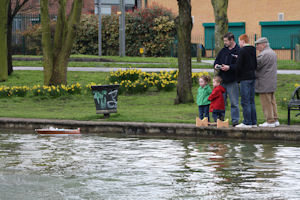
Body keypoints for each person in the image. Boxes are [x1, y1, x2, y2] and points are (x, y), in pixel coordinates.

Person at [214, 32, 240, 126]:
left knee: (234, 102)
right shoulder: (223, 51)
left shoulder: (238, 51)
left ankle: (235, 121)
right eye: (224, 41)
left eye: (226, 41)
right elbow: (216, 61)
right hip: (222, 80)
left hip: (232, 80)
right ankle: (220, 120)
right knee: (221, 102)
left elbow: (239, 66)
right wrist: (217, 65)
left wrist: (230, 67)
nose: (224, 42)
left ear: (232, 40)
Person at [255, 37, 279, 128]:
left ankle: (270, 121)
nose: (257, 46)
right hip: (271, 81)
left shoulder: (263, 55)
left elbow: (256, 66)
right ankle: (275, 119)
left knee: (266, 102)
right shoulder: (272, 52)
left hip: (264, 81)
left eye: (258, 44)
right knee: (272, 101)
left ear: (263, 44)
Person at [235, 34, 257, 128]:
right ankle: (253, 121)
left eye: (239, 41)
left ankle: (247, 122)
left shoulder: (242, 50)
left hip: (244, 78)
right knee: (251, 100)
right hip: (252, 77)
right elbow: (255, 64)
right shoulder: (253, 50)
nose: (238, 43)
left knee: (245, 101)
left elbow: (238, 66)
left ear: (243, 41)